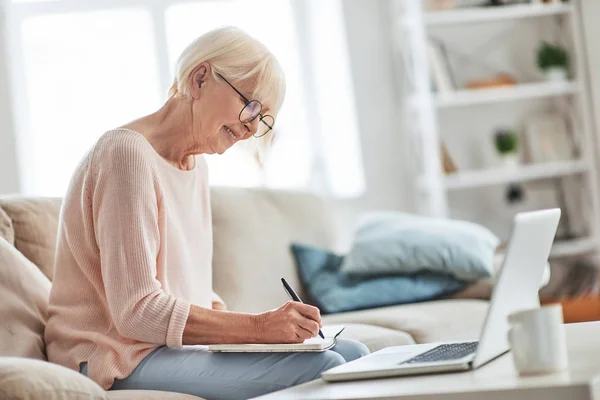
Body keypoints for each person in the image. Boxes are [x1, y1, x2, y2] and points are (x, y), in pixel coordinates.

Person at [44, 26, 369, 400]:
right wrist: (258, 328)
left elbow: (192, 292)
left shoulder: (195, 167)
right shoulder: (125, 155)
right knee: (324, 368)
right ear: (200, 78)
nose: (249, 129)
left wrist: (259, 336)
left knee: (353, 354)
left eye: (261, 119)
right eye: (250, 107)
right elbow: (137, 311)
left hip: (165, 349)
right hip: (113, 358)